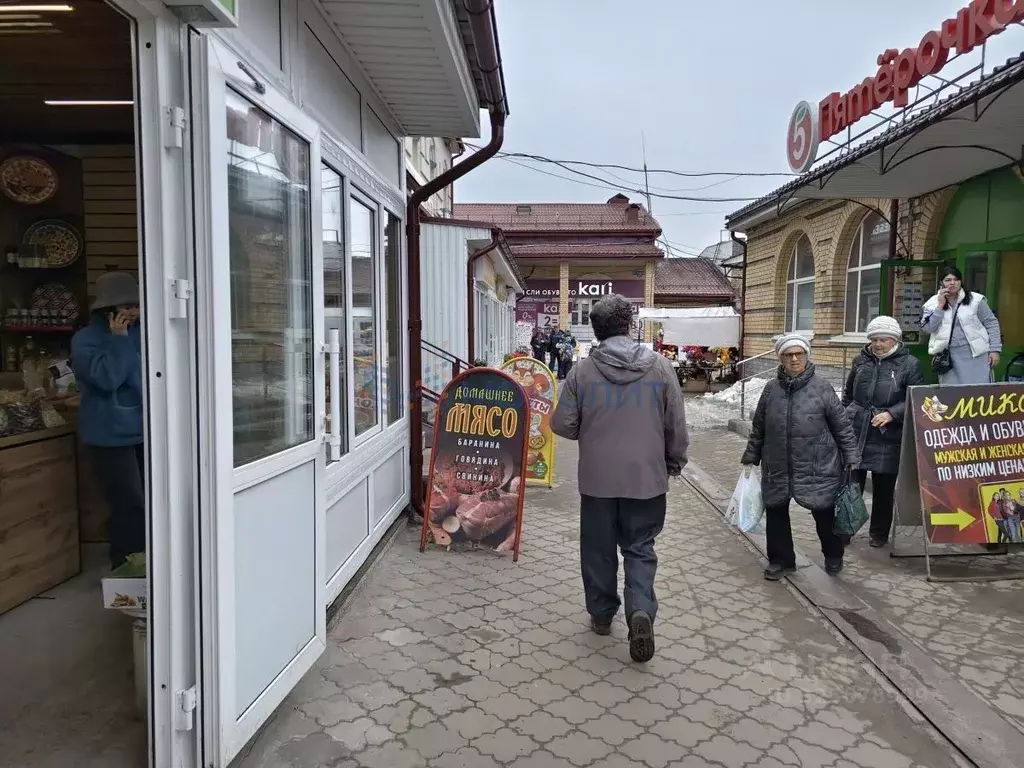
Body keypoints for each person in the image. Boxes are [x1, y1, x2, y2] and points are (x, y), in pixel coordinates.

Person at [552, 294, 688, 663]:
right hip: (647, 479)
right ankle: (640, 610)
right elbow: (676, 423)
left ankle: (601, 616)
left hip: (597, 481)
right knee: (640, 548)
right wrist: (674, 461)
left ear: (596, 331)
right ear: (630, 326)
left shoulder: (582, 372)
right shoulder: (661, 367)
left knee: (597, 550)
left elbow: (562, 424)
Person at [741, 333, 860, 579]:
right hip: (777, 465)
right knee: (775, 512)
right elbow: (759, 426)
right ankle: (782, 561)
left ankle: (833, 554)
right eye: (788, 355)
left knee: (824, 513)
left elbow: (842, 426)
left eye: (799, 354)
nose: (794, 359)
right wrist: (751, 453)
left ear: (806, 356)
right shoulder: (771, 389)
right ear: (780, 358)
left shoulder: (822, 388)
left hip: (817, 464)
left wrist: (851, 456)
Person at [71, 272, 145, 570]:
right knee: (129, 504)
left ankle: (151, 566)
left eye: (137, 304)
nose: (134, 311)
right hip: (108, 437)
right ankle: (127, 570)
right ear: (108, 309)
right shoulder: (85, 340)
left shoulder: (144, 333)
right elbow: (107, 378)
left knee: (149, 503)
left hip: (143, 431)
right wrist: (119, 340)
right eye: (127, 304)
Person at [842, 316, 924, 548]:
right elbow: (848, 395)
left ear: (894, 339)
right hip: (856, 432)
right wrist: (844, 417)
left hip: (888, 436)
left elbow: (914, 399)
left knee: (883, 490)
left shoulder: (910, 364)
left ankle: (879, 534)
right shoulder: (860, 361)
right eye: (874, 339)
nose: (877, 344)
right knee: (850, 486)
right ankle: (845, 528)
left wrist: (892, 414)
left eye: (883, 339)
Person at [921, 265, 1002, 385]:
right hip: (948, 356)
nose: (952, 283)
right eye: (948, 280)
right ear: (941, 283)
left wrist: (995, 350)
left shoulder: (976, 300)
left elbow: (991, 323)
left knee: (978, 391)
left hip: (976, 354)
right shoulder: (932, 303)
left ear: (961, 282)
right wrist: (940, 306)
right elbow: (928, 328)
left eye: (956, 279)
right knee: (952, 394)